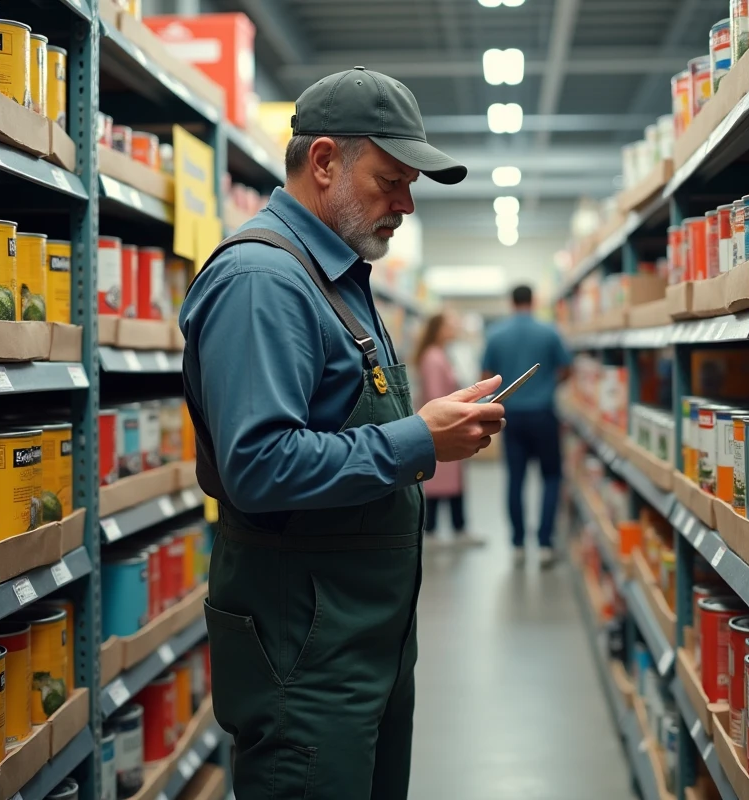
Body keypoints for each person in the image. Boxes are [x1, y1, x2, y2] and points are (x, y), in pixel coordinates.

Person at [179, 68, 506, 799]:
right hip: (306, 659)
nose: (406, 204)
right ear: (324, 161)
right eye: (390, 180)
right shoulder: (264, 281)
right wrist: (421, 441)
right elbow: (258, 466)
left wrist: (430, 426)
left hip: (360, 644)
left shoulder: (336, 276)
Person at [481, 285, 573, 567]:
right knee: (551, 477)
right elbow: (567, 367)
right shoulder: (549, 331)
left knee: (516, 479)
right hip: (543, 413)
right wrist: (548, 386)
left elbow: (485, 376)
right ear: (533, 301)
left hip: (511, 416)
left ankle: (518, 544)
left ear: (511, 301)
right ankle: (545, 544)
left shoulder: (495, 334)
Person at [413, 311, 485, 546]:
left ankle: (455, 528)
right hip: (442, 426)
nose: (454, 329)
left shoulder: (439, 354)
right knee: (438, 481)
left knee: (449, 481)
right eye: (450, 325)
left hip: (447, 424)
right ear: (438, 329)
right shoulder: (433, 357)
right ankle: (436, 530)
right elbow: (436, 396)